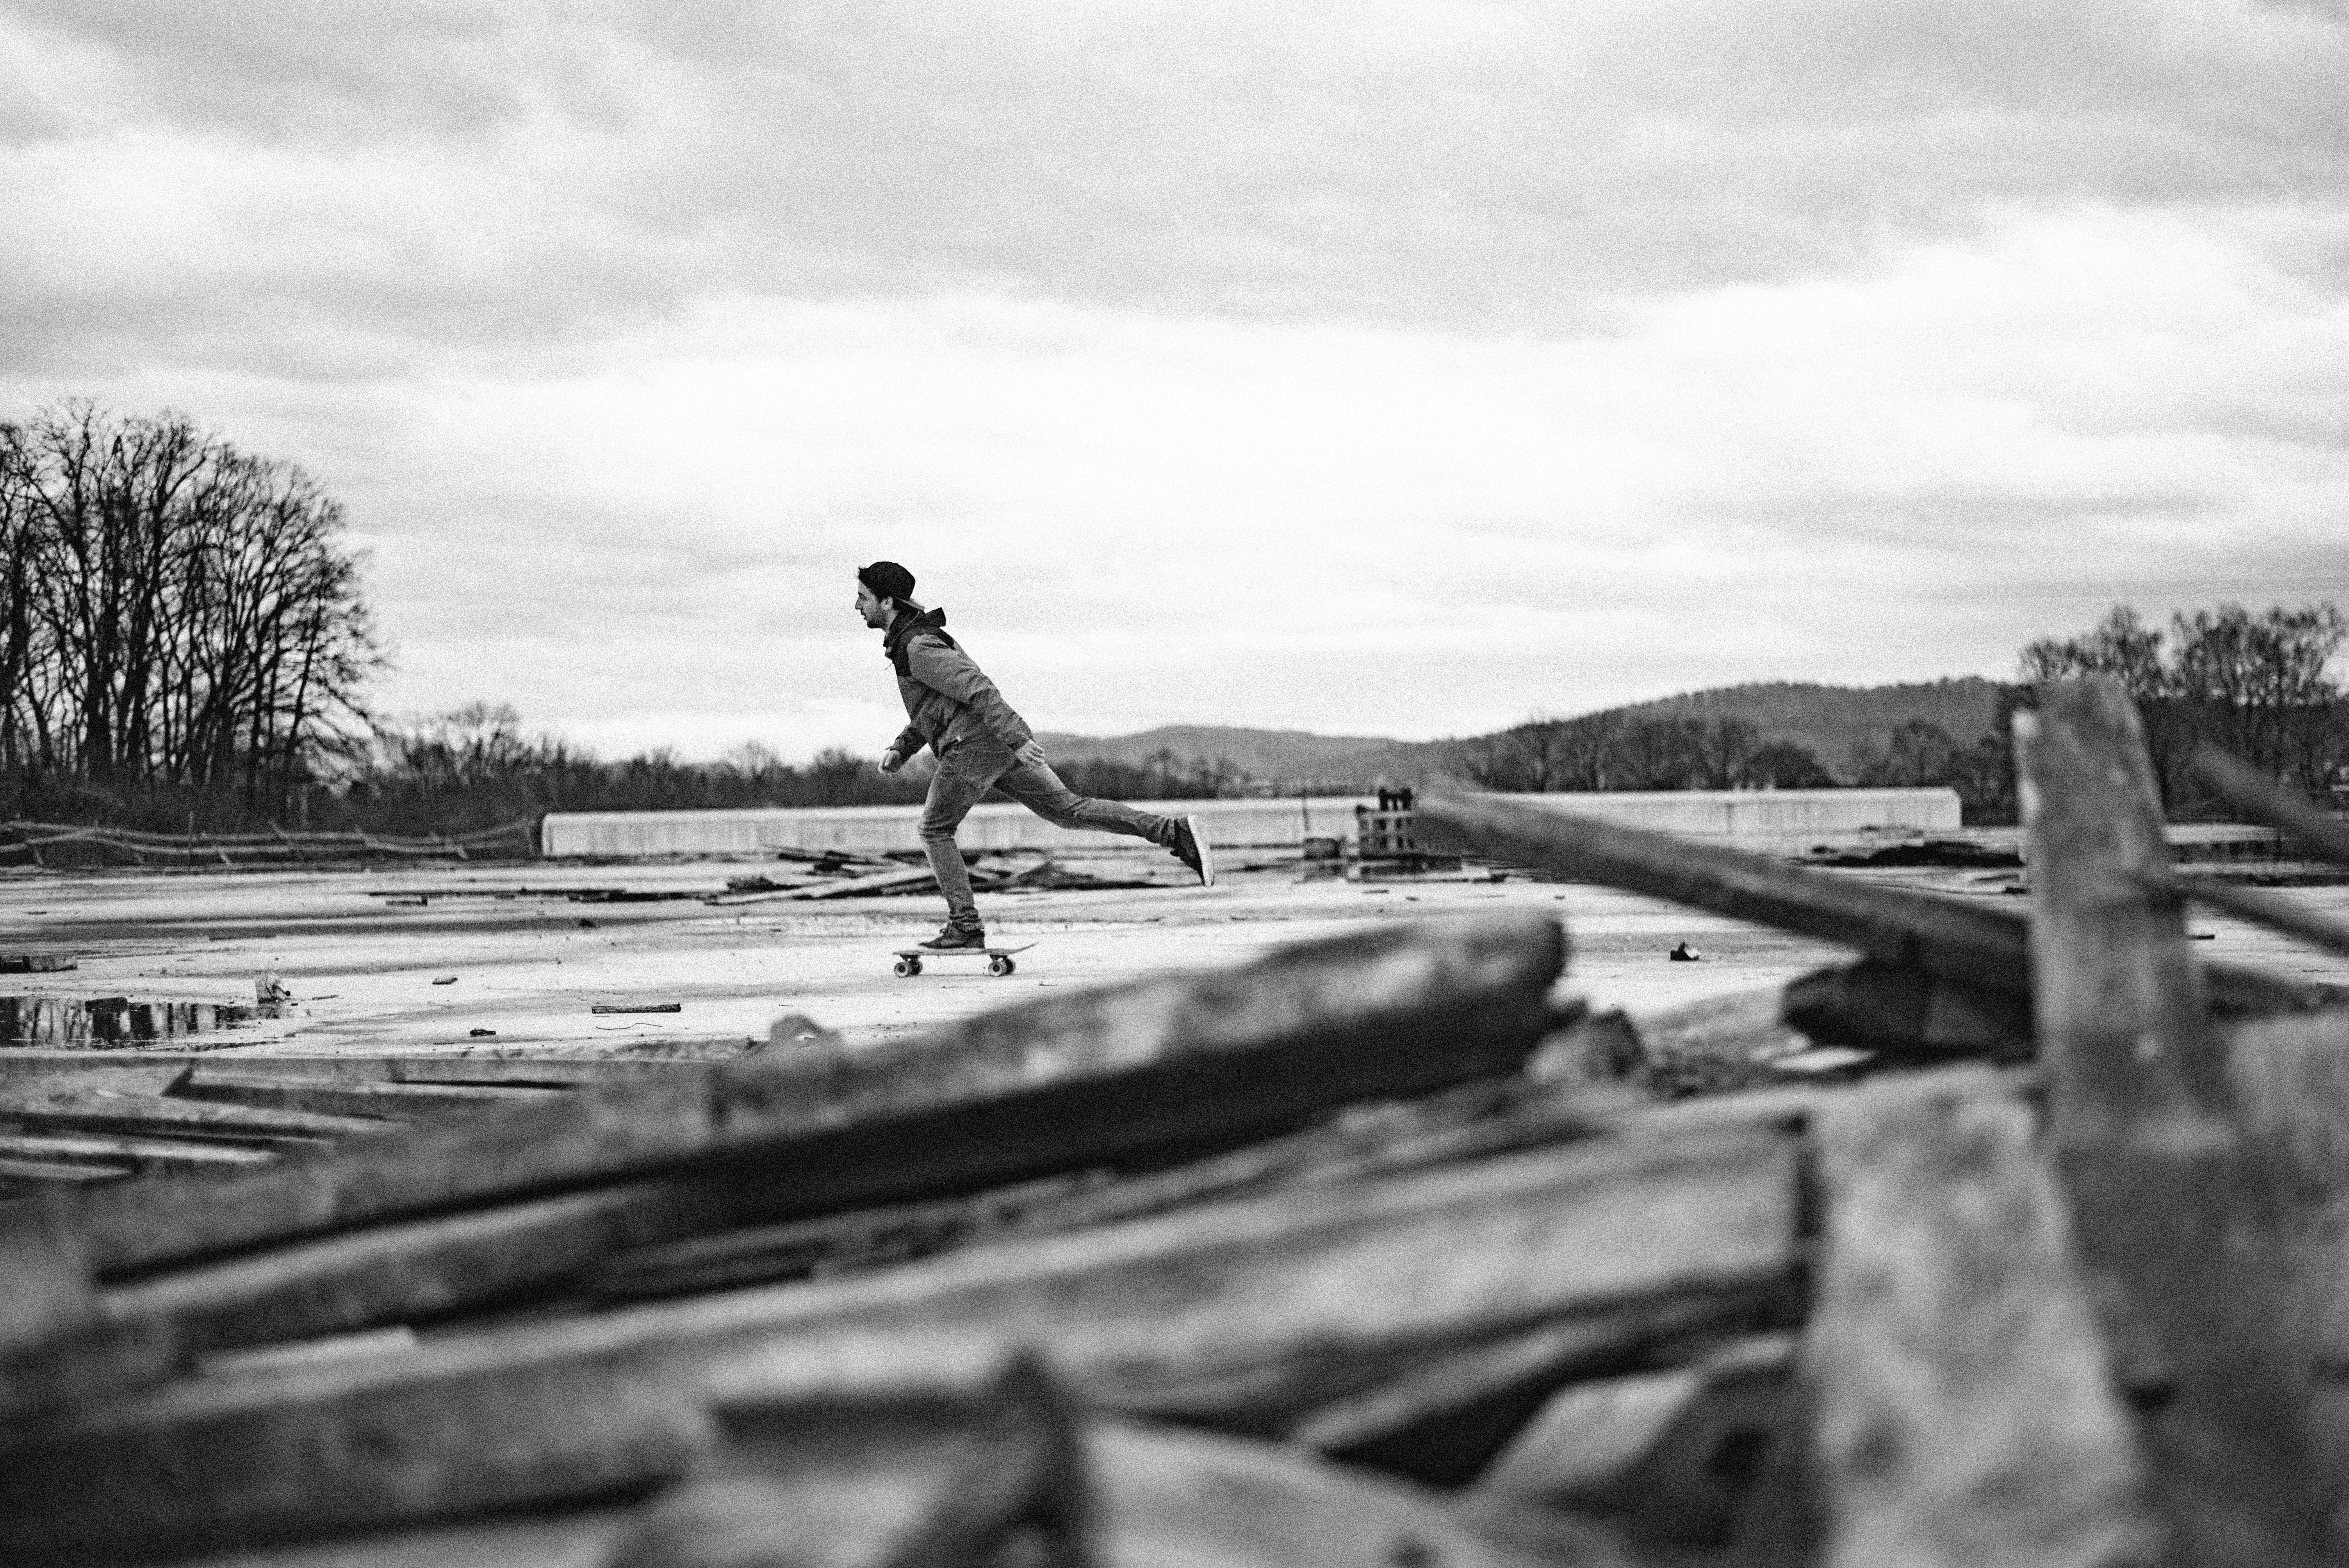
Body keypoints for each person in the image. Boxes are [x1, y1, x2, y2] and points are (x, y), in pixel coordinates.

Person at [855, 561, 1212, 951]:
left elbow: (979, 689)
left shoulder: (918, 645)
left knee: (934, 829)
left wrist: (1016, 739)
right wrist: (903, 747)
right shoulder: (917, 639)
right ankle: (1173, 831)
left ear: (887, 601)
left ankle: (965, 926)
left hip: (974, 745)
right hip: (991, 741)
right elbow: (938, 705)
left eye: (863, 598)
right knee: (1068, 809)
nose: (858, 607)